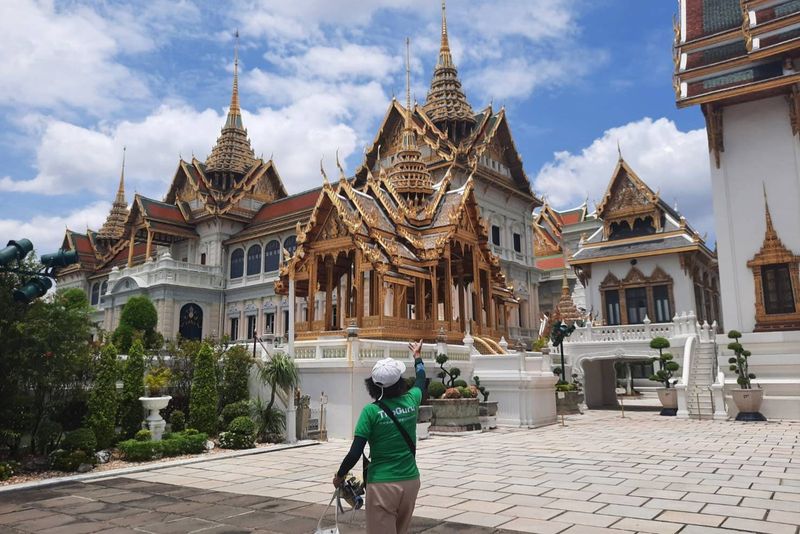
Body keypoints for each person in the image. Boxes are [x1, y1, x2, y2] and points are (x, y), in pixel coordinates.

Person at [333, 340, 426, 534]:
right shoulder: (411, 400)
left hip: (383, 484)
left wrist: (340, 475)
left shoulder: (370, 412)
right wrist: (417, 357)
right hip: (410, 481)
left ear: (373, 385)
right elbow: (420, 380)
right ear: (400, 381)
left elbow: (355, 452)